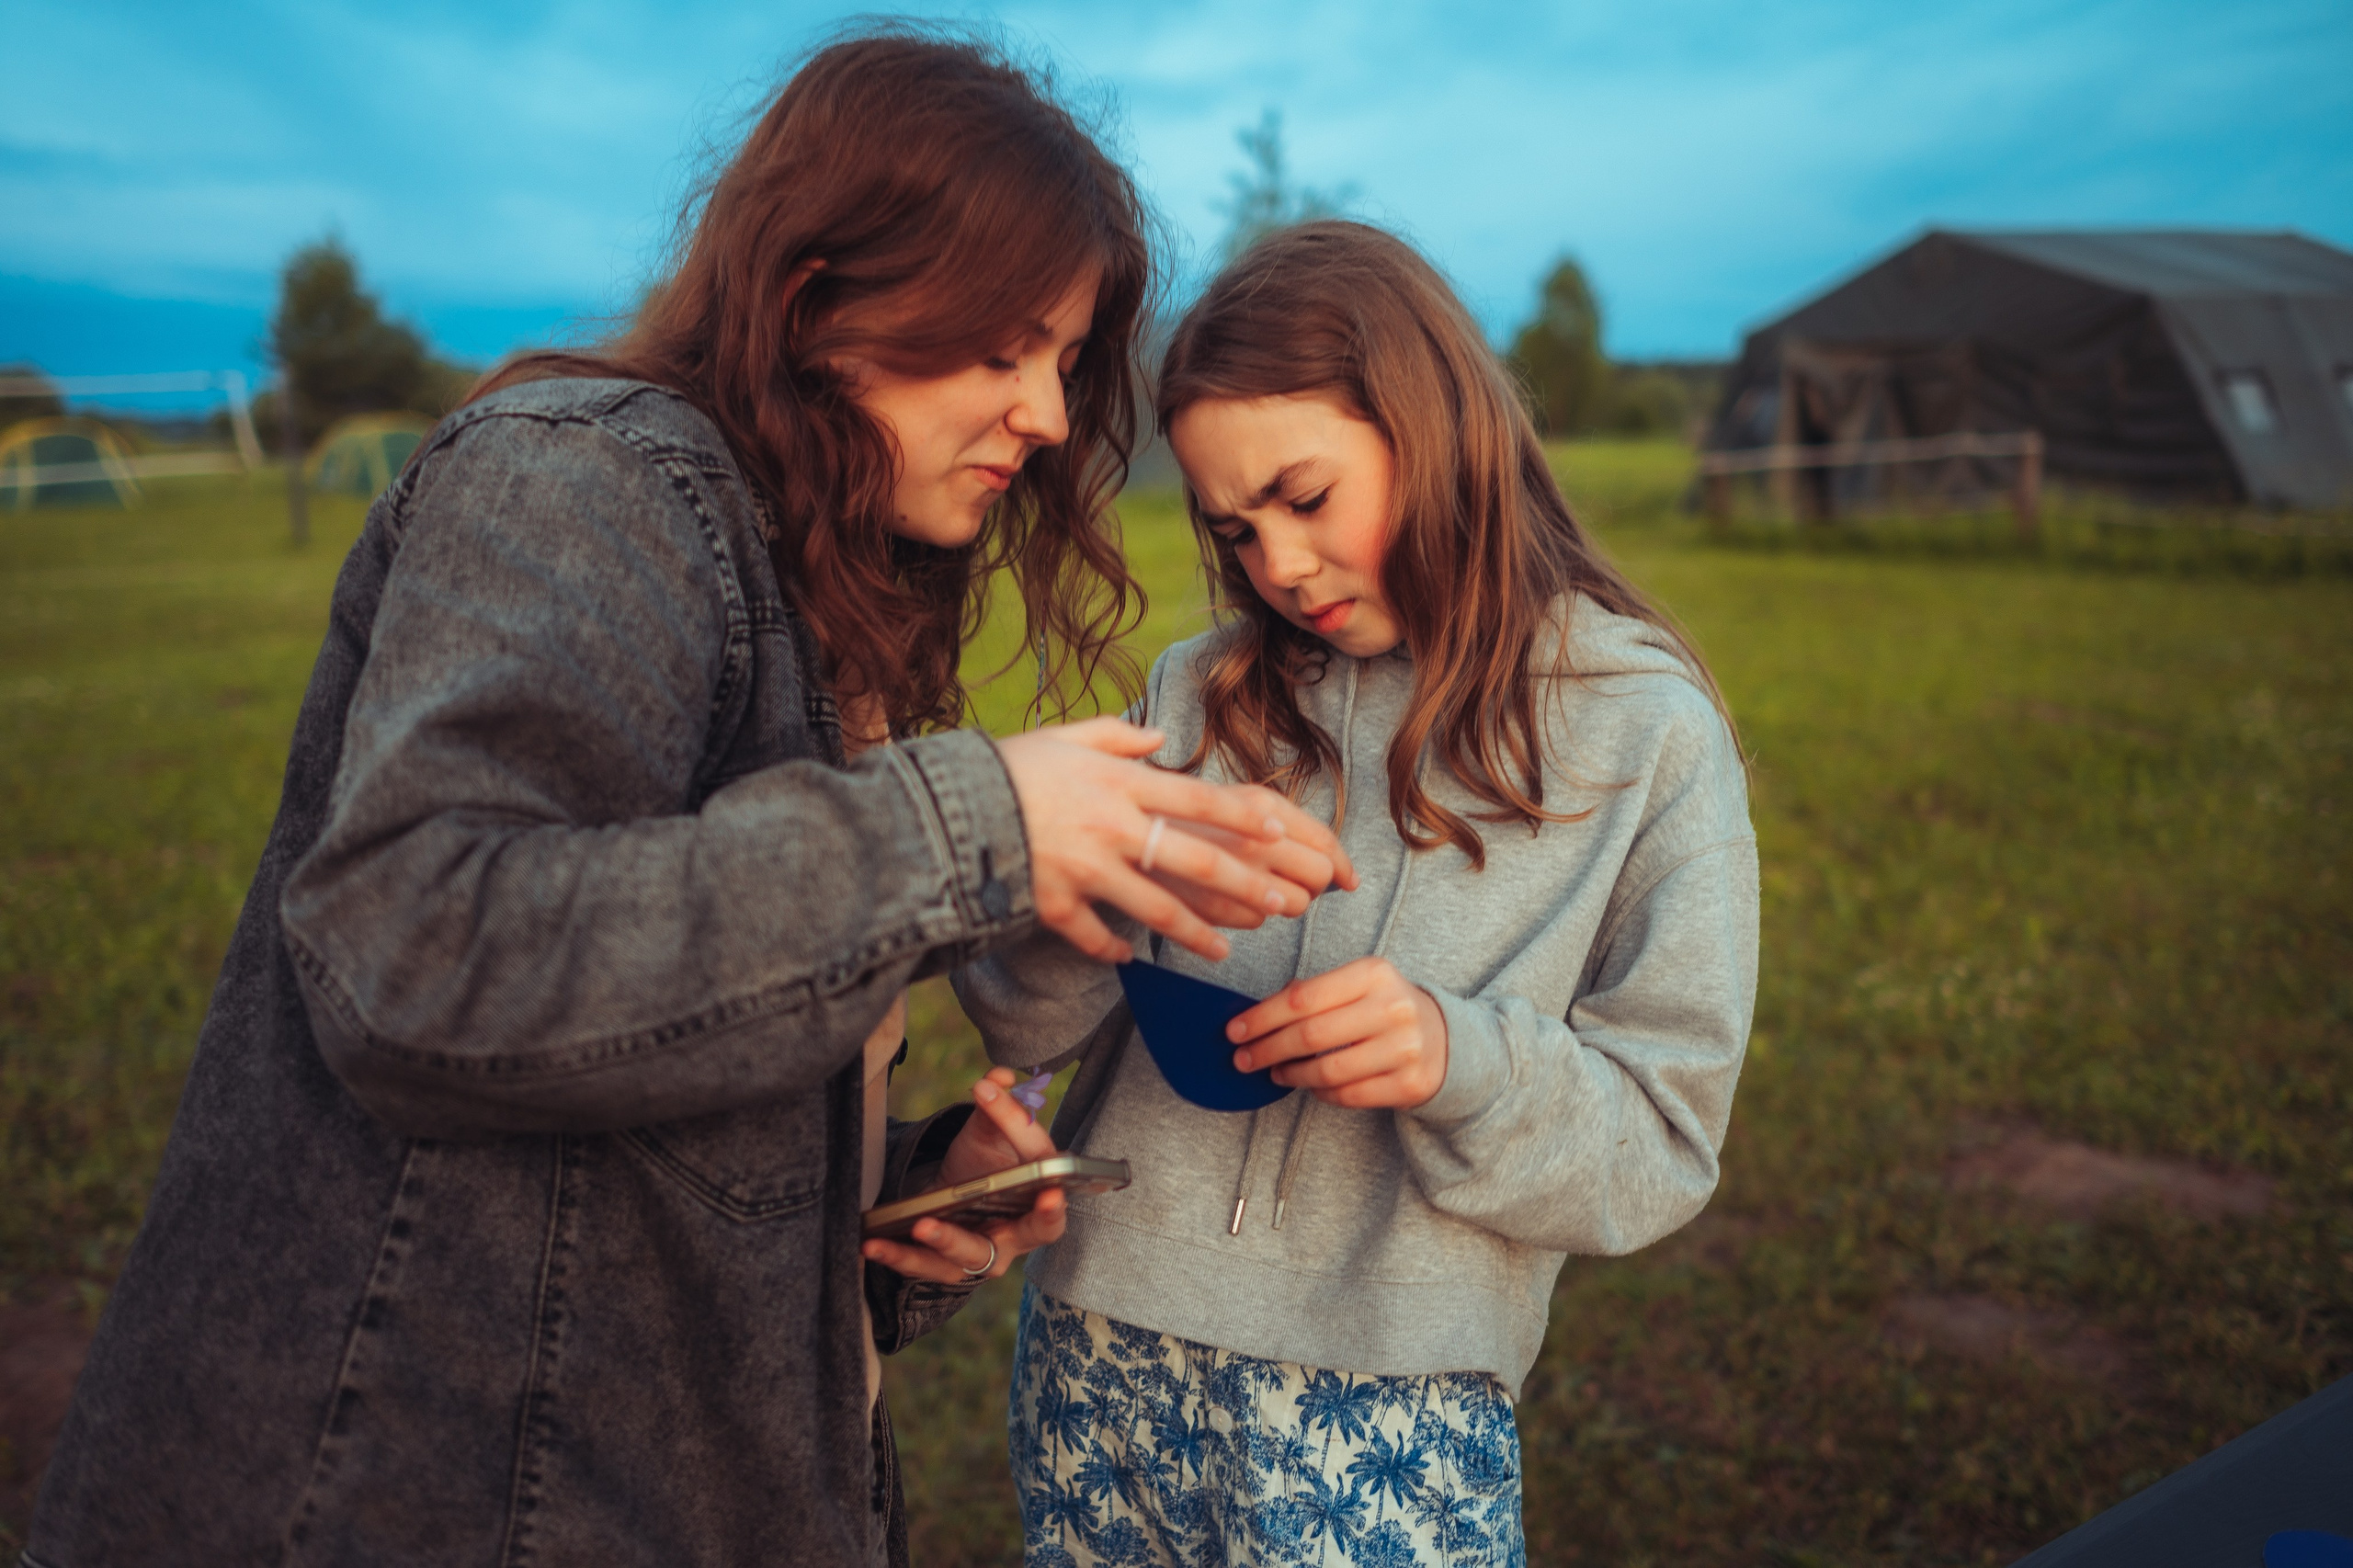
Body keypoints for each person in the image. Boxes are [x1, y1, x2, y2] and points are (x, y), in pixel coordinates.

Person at [23, 33, 1350, 1568]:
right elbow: (419, 952)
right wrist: (970, 820)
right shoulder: (587, 483)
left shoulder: (808, 597)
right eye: (1005, 346)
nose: (1050, 416)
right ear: (822, 298)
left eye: (1064, 363)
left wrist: (902, 1209)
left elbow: (651, 1078)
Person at [956, 221, 1759, 1567]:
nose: (1276, 565)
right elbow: (1025, 1017)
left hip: (1386, 1415)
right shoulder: (1200, 693)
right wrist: (1084, 888)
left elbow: (1664, 1138)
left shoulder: (1640, 731)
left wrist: (1460, 1057)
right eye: (1234, 527)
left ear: (1431, 425)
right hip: (1101, 1354)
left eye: (1305, 498)